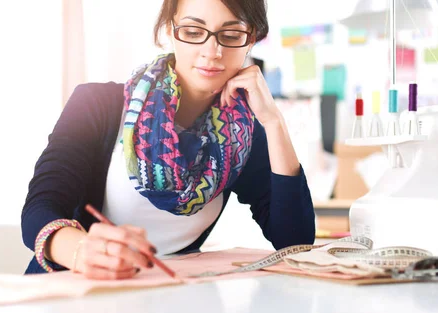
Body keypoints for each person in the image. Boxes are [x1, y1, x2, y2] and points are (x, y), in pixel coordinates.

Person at [21, 0, 315, 280]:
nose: (212, 51)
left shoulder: (241, 135)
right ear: (169, 31)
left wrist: (274, 122)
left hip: (169, 294)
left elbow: (295, 241)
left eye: (231, 34)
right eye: (193, 32)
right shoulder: (96, 104)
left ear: (251, 39)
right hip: (74, 289)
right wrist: (82, 251)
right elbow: (40, 209)